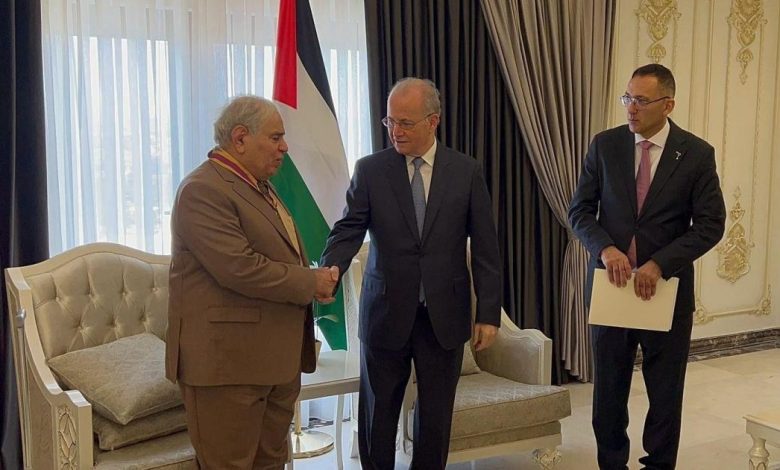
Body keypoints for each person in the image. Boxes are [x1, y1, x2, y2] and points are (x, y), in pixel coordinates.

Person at [320, 77, 502, 470]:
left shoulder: (465, 171)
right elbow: (349, 228)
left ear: (433, 121)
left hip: (444, 315)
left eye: (405, 123)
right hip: (386, 311)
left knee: (435, 418)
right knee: (378, 415)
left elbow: (486, 247)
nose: (396, 131)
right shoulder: (371, 170)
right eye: (390, 122)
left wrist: (488, 313)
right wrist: (331, 267)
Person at [165, 95, 339, 470]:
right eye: (276, 137)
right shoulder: (202, 189)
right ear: (241, 138)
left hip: (272, 361)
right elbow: (240, 268)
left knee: (271, 464)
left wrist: (312, 280)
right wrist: (310, 282)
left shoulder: (258, 185)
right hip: (228, 368)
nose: (285, 147)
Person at [568, 64, 726, 470]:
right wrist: (605, 249)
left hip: (666, 292)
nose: (631, 108)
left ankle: (658, 465)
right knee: (608, 392)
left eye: (641, 100)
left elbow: (711, 224)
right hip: (612, 289)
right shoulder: (605, 145)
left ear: (667, 104)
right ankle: (612, 463)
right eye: (627, 98)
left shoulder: (696, 154)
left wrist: (661, 263)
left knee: (665, 394)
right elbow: (580, 211)